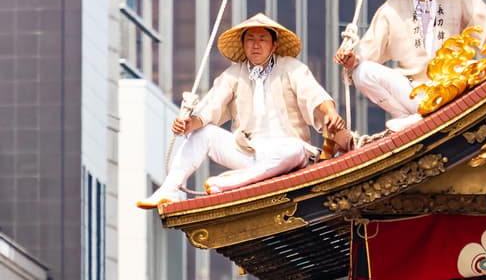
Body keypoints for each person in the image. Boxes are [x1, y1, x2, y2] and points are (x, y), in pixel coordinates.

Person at [138, 13, 349, 208]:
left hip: (285, 153)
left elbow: (313, 94)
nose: (256, 45)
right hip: (249, 152)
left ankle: (232, 183)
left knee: (295, 148)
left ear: (274, 44)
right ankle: (170, 189)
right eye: (250, 39)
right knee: (203, 133)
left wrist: (330, 112)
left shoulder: (291, 68)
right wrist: (189, 123)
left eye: (262, 39)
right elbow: (211, 106)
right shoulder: (233, 75)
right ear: (243, 44)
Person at [334, 0, 486, 125]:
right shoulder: (393, 7)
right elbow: (367, 51)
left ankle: (418, 118)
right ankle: (408, 118)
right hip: (413, 92)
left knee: (475, 67)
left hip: (452, 89)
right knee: (363, 72)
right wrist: (352, 59)